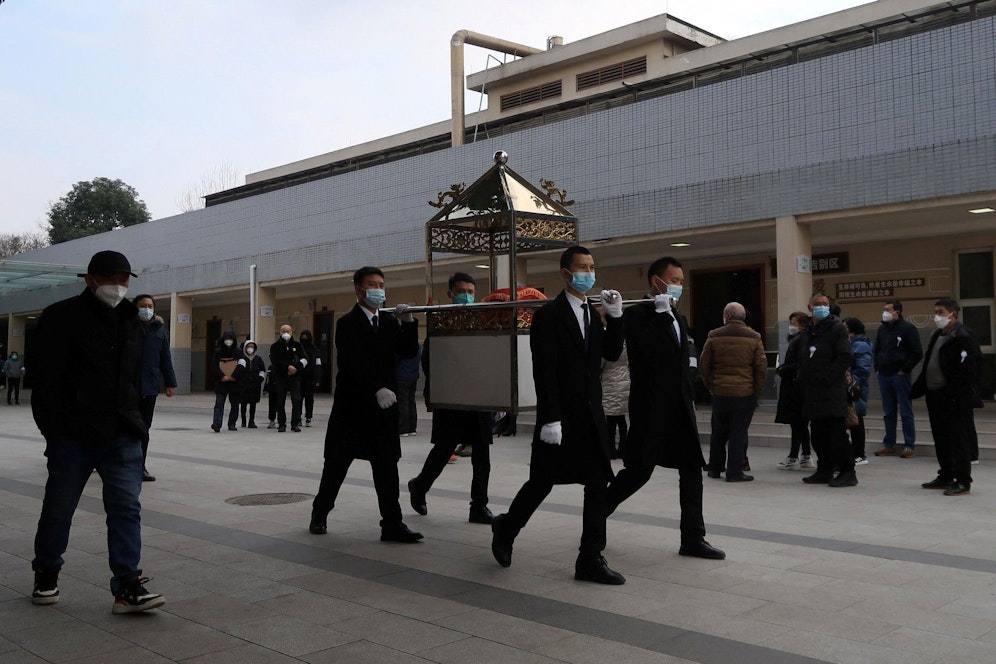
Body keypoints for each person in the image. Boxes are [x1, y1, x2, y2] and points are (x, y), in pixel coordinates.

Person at [30, 250, 165, 613]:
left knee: (126, 508)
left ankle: (127, 585)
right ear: (91, 280)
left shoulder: (131, 320)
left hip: (121, 431)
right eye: (111, 280)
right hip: (72, 434)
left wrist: (135, 418)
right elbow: (44, 380)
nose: (118, 287)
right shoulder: (60, 318)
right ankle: (46, 571)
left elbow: (135, 374)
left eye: (124, 280)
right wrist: (53, 430)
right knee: (59, 508)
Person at [491, 246, 627, 584]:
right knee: (542, 482)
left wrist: (616, 317)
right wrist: (550, 417)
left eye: (592, 267)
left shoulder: (593, 313)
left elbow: (609, 355)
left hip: (591, 416)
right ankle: (506, 527)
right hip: (561, 418)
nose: (589, 273)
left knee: (597, 484)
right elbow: (544, 370)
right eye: (582, 267)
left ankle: (590, 558)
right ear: (566, 273)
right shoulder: (548, 315)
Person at [605, 256, 725, 560]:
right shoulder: (637, 315)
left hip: (680, 408)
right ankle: (594, 514)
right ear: (656, 281)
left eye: (682, 281)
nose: (678, 286)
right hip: (652, 407)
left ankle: (693, 538)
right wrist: (658, 315)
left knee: (691, 470)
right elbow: (648, 356)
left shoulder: (678, 317)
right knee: (638, 472)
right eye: (674, 280)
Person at [310, 266, 423, 543]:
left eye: (381, 285)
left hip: (383, 411)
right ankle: (320, 513)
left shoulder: (386, 322)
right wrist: (375, 388)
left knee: (386, 467)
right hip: (353, 408)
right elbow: (350, 363)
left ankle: (392, 524)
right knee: (336, 465)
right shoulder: (347, 323)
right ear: (358, 289)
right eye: (372, 284)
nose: (378, 290)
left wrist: (409, 323)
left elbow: (407, 351)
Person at [408, 272, 494, 524]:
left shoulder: (481, 319)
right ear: (450, 293)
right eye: (461, 291)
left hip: (478, 395)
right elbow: (429, 360)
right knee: (444, 449)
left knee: (482, 453)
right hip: (451, 396)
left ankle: (479, 506)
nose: (466, 295)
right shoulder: (440, 320)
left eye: (470, 291)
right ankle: (420, 486)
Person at [911, 298, 982, 496]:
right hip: (935, 396)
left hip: (954, 398)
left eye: (941, 312)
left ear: (953, 314)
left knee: (958, 440)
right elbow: (928, 364)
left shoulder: (964, 336)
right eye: (936, 312)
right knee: (941, 438)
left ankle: (963, 480)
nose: (937, 316)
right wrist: (918, 388)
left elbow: (970, 370)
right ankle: (946, 475)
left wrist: (957, 393)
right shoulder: (937, 335)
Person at [794, 293, 857, 487]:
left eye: (825, 304)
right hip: (812, 392)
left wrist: (828, 377)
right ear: (810, 307)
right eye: (818, 304)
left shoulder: (837, 328)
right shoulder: (808, 332)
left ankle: (848, 471)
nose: (822, 306)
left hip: (832, 390)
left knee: (836, 434)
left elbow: (845, 356)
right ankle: (824, 469)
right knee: (818, 434)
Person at [701, 302, 766, 482]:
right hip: (744, 393)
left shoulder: (714, 335)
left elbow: (704, 364)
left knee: (718, 432)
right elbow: (761, 367)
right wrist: (757, 390)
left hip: (720, 391)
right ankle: (734, 471)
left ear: (727, 316)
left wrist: (710, 385)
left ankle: (715, 468)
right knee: (738, 432)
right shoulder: (754, 337)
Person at [133, 295, 178, 481]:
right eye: (142, 305)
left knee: (144, 429)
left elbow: (165, 358)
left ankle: (140, 467)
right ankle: (119, 464)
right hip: (129, 387)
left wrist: (170, 382)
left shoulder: (159, 331)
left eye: (150, 305)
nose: (146, 309)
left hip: (149, 387)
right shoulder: (127, 328)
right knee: (126, 428)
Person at [873, 299, 923, 458]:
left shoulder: (908, 329)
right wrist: (877, 367)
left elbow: (917, 352)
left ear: (897, 312)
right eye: (884, 309)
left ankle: (909, 445)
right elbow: (877, 349)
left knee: (905, 410)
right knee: (888, 411)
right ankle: (889, 444)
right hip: (884, 374)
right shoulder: (882, 329)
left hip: (900, 375)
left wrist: (904, 369)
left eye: (888, 310)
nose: (885, 312)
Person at [774, 312, 814, 470]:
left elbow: (799, 364)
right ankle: (805, 455)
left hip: (795, 388)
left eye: (793, 322)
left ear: (801, 325)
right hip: (798, 387)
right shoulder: (801, 339)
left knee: (798, 423)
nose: (791, 326)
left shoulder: (800, 340)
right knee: (800, 424)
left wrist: (782, 369)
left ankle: (794, 457)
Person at [843, 317, 872, 466]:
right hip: (850, 386)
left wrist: (851, 383)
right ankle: (854, 453)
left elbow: (863, 369)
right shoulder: (851, 343)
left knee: (857, 421)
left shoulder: (860, 345)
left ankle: (860, 454)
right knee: (853, 420)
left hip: (855, 387)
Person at [268, 324, 306, 432]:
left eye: (288, 331)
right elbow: (274, 361)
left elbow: (304, 359)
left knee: (296, 399)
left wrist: (296, 367)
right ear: (280, 333)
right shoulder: (275, 346)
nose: (286, 333)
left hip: (295, 377)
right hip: (281, 377)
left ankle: (295, 423)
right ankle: (281, 424)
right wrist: (287, 368)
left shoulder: (297, 345)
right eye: (283, 331)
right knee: (280, 400)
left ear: (292, 332)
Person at [211, 330, 245, 432]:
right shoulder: (218, 352)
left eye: (230, 339)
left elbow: (242, 365)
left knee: (235, 404)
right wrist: (222, 376)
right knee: (219, 403)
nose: (228, 341)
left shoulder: (238, 352)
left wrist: (234, 376)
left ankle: (232, 423)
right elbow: (214, 366)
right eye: (226, 339)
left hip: (235, 383)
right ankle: (217, 423)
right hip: (221, 383)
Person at [601, 340, 630, 460]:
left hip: (610, 382)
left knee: (611, 421)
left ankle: (611, 450)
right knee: (622, 420)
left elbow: (600, 363)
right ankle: (623, 450)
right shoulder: (626, 345)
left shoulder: (608, 345)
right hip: (624, 381)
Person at [395, 340, 422, 436]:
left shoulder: (404, 345)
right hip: (413, 376)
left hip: (402, 376)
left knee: (403, 403)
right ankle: (412, 427)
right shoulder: (417, 346)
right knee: (411, 402)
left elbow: (396, 359)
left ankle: (403, 428)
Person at [239, 339, 266, 428]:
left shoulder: (258, 359)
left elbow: (262, 370)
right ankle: (243, 420)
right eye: (248, 347)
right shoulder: (242, 359)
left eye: (252, 347)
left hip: (255, 385)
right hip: (244, 385)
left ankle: (251, 421)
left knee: (253, 403)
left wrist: (260, 379)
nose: (250, 348)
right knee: (243, 403)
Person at [298, 329, 322, 427]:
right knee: (298, 399)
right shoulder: (298, 348)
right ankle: (298, 417)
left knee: (309, 399)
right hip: (299, 377)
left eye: (306, 337)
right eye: (303, 336)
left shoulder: (315, 350)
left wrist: (318, 379)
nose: (304, 338)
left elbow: (318, 365)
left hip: (310, 377)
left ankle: (308, 417)